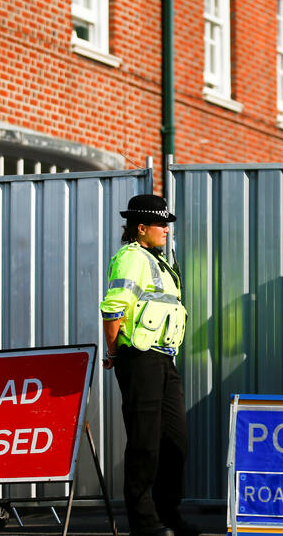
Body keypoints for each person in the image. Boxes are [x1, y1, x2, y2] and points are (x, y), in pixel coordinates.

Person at [100, 194, 199, 536]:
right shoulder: (130, 258)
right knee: (144, 442)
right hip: (139, 358)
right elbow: (113, 309)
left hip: (163, 359)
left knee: (175, 440)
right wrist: (115, 353)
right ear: (141, 228)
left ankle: (168, 514)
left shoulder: (158, 261)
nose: (166, 230)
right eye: (160, 224)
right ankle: (144, 523)